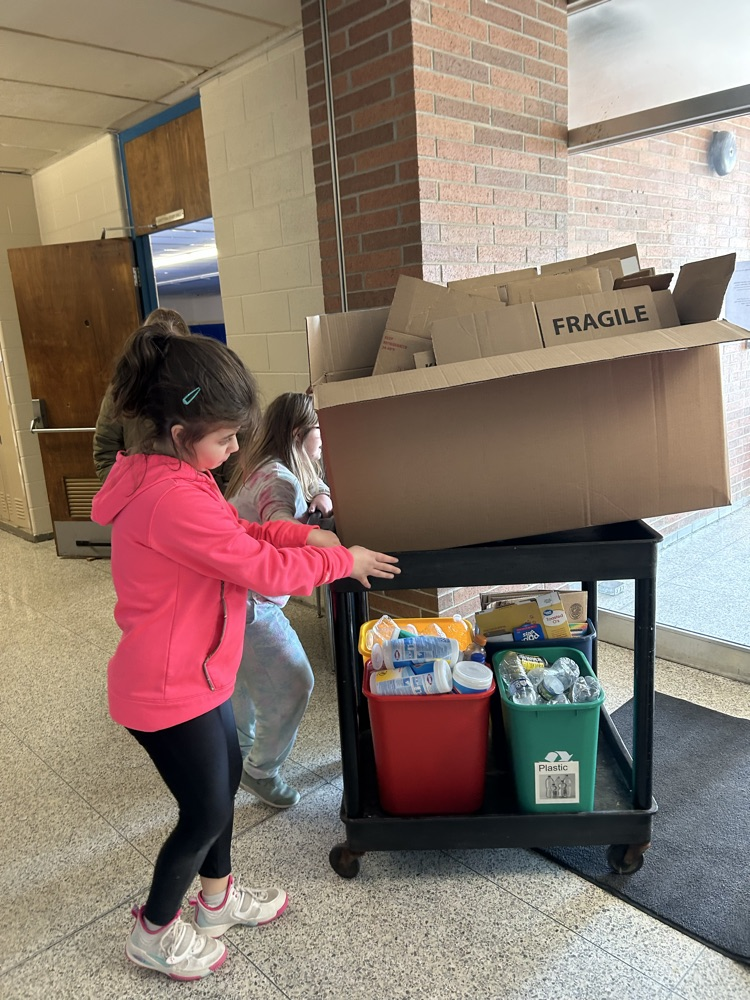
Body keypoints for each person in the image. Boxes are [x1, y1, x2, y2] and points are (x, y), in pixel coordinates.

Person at [91, 326, 399, 981]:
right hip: (166, 689)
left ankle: (218, 900)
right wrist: (337, 559)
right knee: (204, 809)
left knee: (221, 787)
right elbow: (259, 567)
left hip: (198, 675)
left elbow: (245, 530)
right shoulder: (169, 495)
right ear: (180, 432)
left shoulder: (177, 474)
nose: (236, 448)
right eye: (227, 436)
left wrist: (308, 532)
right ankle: (153, 930)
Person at [224, 392, 333, 808]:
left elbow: (310, 482)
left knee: (245, 683)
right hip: (252, 603)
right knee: (293, 683)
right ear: (296, 434)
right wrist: (324, 545)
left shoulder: (261, 467)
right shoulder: (278, 480)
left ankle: (237, 755)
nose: (323, 438)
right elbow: (281, 527)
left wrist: (320, 494)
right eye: (318, 430)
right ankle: (260, 771)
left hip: (227, 596)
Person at [93, 308, 191, 484]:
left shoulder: (203, 386)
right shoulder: (123, 389)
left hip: (195, 496)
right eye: (156, 344)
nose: (163, 355)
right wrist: (127, 491)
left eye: (170, 346)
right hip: (141, 493)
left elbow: (229, 452)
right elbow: (105, 452)